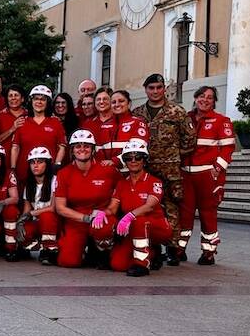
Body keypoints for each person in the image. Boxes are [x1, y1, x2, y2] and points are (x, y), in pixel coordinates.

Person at [131, 74, 195, 265]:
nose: (155, 91)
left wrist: (174, 153)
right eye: (151, 88)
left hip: (169, 169)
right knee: (147, 207)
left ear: (164, 89)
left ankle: (173, 248)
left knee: (171, 208)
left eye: (159, 87)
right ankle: (153, 247)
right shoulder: (137, 113)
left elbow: (190, 138)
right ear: (146, 90)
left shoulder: (177, 111)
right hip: (145, 168)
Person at [178, 86, 234, 264]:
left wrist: (218, 167)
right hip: (186, 175)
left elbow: (228, 147)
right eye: (202, 96)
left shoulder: (221, 121)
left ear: (214, 101)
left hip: (207, 175)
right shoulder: (185, 118)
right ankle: (178, 249)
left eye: (210, 97)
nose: (205, 100)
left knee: (207, 214)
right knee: (184, 214)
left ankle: (209, 252)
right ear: (195, 98)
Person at [53, 130, 119, 269]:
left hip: (102, 218)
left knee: (103, 229)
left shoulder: (108, 170)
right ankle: (82, 248)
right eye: (78, 146)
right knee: (68, 261)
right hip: (77, 220)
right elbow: (60, 207)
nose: (82, 149)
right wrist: (86, 218)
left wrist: (107, 212)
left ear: (93, 149)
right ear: (72, 150)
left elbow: (119, 195)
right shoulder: (64, 173)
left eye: (86, 146)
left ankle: (102, 251)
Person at [107, 139, 171, 277]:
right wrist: (102, 214)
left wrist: (129, 216)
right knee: (118, 265)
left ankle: (142, 264)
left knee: (139, 220)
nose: (133, 161)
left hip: (157, 227)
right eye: (129, 158)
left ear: (145, 160)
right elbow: (112, 208)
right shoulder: (122, 184)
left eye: (138, 157)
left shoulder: (154, 181)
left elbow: (149, 206)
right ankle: (151, 253)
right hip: (133, 229)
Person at [10, 85, 66, 184]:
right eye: (36, 99)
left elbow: (61, 146)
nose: (39, 102)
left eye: (43, 99)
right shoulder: (22, 121)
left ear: (47, 102)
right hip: (24, 174)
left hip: (49, 174)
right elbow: (15, 147)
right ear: (31, 101)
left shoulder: (55, 122)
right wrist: (13, 168)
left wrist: (56, 165)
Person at [17, 147, 59, 264]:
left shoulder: (55, 181)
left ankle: (49, 250)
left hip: (53, 222)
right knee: (22, 231)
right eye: (32, 162)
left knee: (47, 216)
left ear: (47, 164)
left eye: (40, 162)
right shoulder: (29, 185)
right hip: (37, 223)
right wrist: (20, 222)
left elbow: (53, 208)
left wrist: (31, 213)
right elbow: (26, 210)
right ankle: (30, 247)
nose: (35, 166)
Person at [101, 90, 150, 169]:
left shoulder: (137, 123)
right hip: (108, 172)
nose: (117, 104)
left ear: (129, 104)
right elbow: (99, 151)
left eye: (121, 101)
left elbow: (139, 148)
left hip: (130, 172)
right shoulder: (104, 126)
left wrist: (115, 161)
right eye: (113, 102)